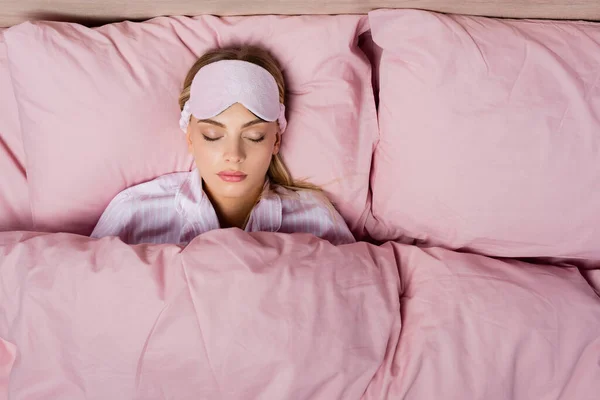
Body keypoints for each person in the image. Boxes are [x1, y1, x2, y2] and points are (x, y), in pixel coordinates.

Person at [91, 46, 355, 246]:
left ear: (276, 140)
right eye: (212, 135)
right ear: (190, 137)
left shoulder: (317, 222)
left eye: (254, 137)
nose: (234, 156)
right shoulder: (133, 214)